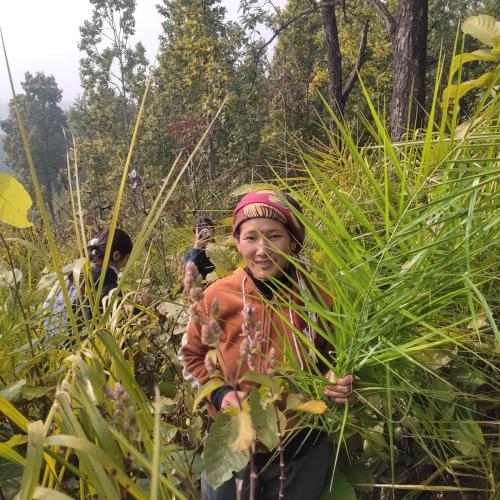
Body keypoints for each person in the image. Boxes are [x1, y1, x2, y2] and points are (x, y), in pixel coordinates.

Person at [180, 190, 355, 500]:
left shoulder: (320, 297)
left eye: (274, 236)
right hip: (234, 443)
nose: (262, 250)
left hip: (303, 444)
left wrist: (342, 382)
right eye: (250, 238)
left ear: (293, 241)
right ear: (237, 242)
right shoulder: (217, 296)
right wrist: (221, 395)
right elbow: (190, 355)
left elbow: (340, 360)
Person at [43, 227, 133, 343]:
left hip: (48, 344)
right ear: (116, 256)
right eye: (126, 258)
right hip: (75, 352)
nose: (125, 264)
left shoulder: (70, 275)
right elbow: (118, 330)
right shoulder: (109, 288)